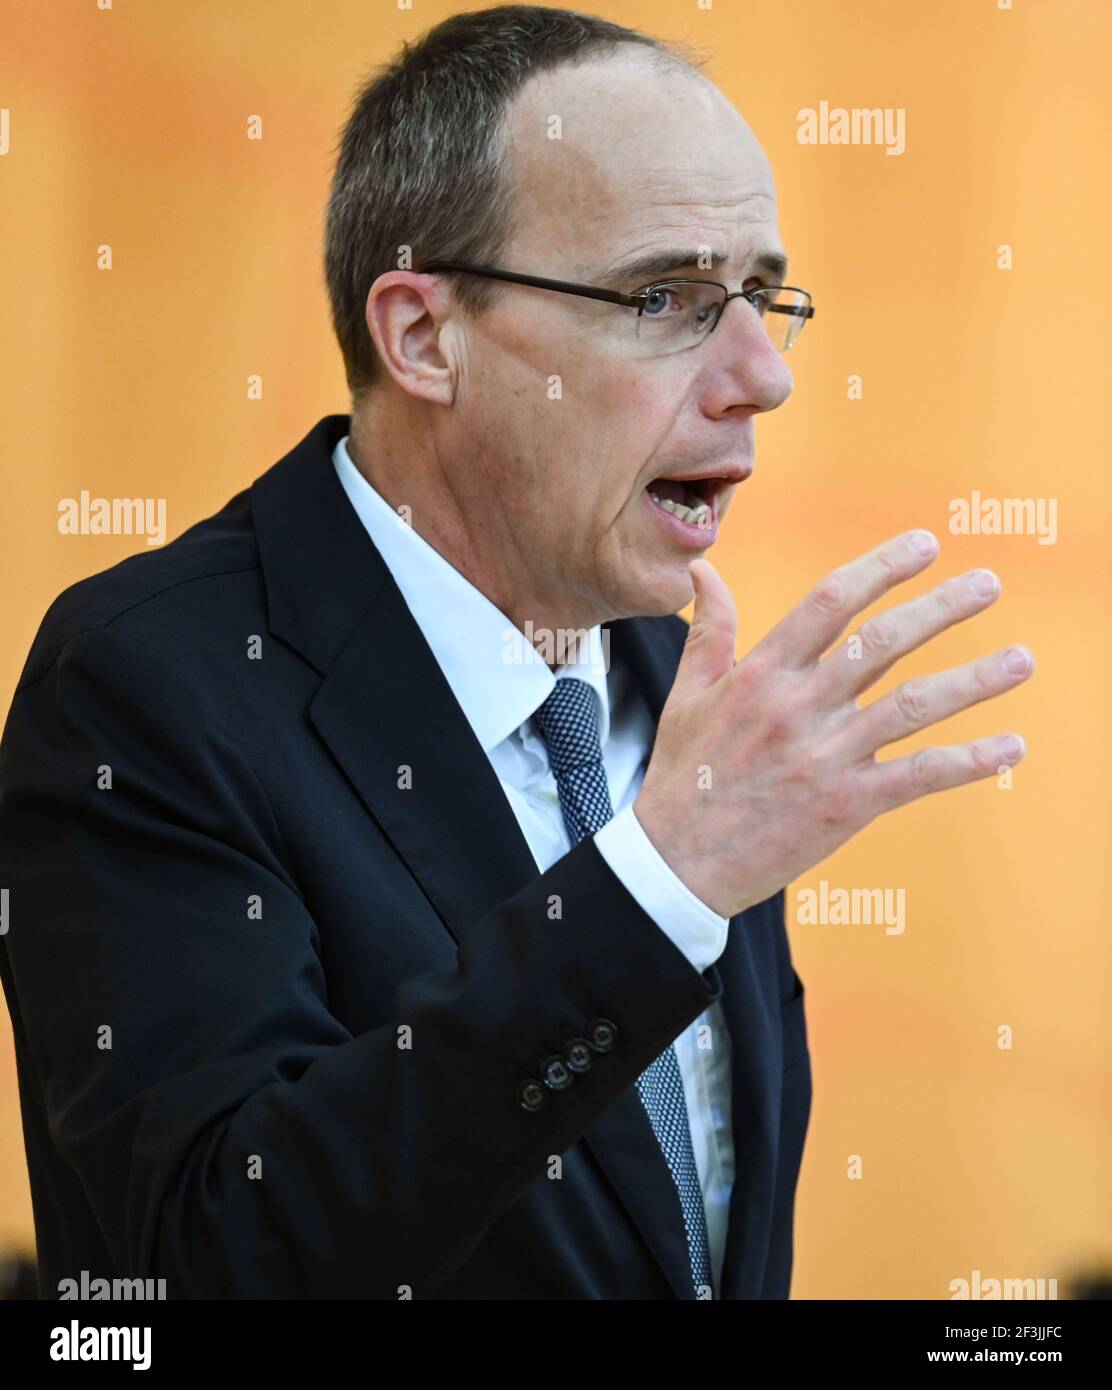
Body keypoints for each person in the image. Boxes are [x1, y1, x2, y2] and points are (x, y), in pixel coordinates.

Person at [0, 5, 1032, 1300]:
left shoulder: (680, 673)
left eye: (765, 294)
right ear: (425, 336)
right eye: (669, 295)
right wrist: (661, 882)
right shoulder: (144, 689)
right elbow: (215, 1255)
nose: (764, 374)